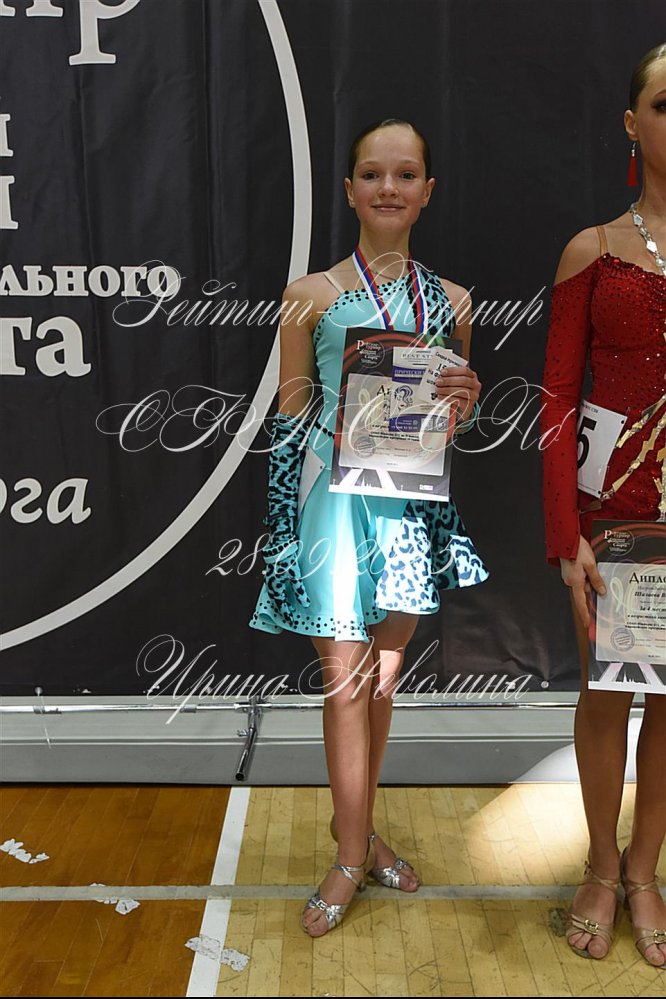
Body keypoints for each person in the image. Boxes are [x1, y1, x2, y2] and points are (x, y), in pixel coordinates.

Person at [248, 118, 489, 937]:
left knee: (382, 682)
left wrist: (465, 400)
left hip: (409, 506)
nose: (390, 186)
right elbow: (289, 416)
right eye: (373, 173)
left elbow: (455, 415)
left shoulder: (454, 302)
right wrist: (290, 527)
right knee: (346, 681)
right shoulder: (309, 295)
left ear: (428, 191)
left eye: (406, 173)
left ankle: (356, 827)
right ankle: (351, 857)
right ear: (349, 189)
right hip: (334, 501)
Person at [540, 44, 666, 967]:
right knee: (608, 690)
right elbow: (555, 403)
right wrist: (564, 538)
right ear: (632, 123)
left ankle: (645, 869)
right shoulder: (594, 249)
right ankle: (598, 862)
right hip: (615, 522)